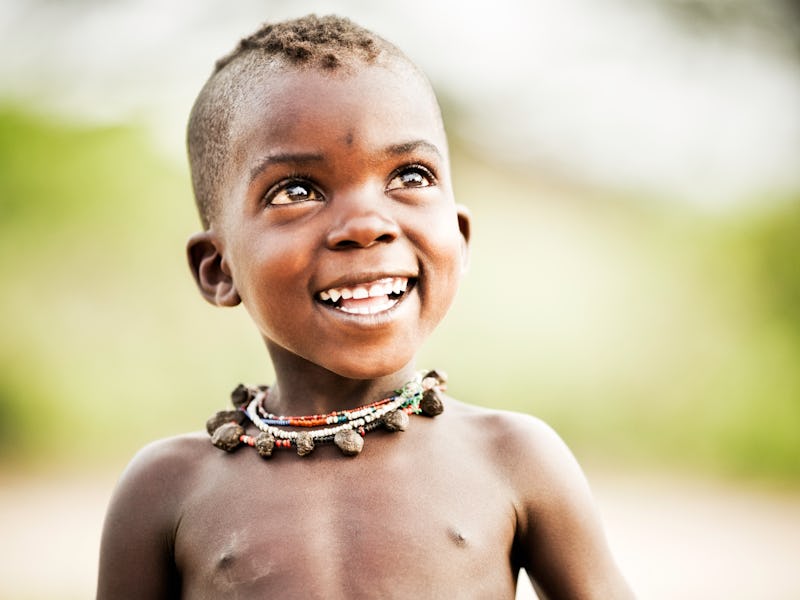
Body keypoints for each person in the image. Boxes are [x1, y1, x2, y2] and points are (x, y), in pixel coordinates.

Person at [96, 14, 633, 599]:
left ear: (458, 236)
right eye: (297, 191)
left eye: (409, 175)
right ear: (219, 269)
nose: (367, 225)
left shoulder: (515, 459)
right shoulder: (167, 491)